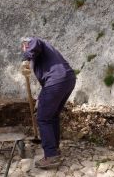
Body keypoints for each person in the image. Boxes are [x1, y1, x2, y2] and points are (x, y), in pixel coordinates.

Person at [20, 37, 76, 168]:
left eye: (24, 48)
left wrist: (25, 58)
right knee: (52, 116)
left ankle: (51, 156)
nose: (25, 49)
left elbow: (35, 41)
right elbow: (46, 81)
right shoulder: (44, 52)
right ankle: (54, 150)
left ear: (25, 45)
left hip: (56, 81)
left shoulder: (33, 43)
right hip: (67, 80)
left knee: (43, 118)